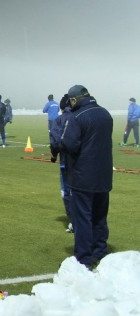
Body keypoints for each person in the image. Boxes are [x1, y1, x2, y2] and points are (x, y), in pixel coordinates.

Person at [59, 85, 113, 269]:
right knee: (100, 217)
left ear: (74, 100)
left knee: (82, 218)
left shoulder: (77, 117)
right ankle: (100, 252)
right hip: (104, 176)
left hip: (83, 177)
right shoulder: (105, 114)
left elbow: (68, 144)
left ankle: (84, 259)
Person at [50, 94, 72, 232]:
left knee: (67, 192)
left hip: (66, 162)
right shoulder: (80, 117)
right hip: (84, 164)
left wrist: (53, 155)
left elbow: (55, 142)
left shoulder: (60, 119)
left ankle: (74, 221)